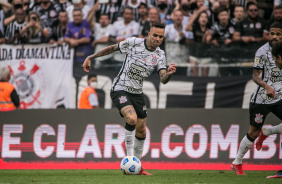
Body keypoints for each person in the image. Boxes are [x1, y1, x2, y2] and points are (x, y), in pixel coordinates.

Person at [82, 22, 176, 175]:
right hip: (120, 88)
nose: (158, 39)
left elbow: (163, 79)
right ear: (149, 34)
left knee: (141, 130)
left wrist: (169, 74)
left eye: (160, 36)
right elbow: (112, 48)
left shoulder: (159, 54)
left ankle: (137, 166)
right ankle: (129, 158)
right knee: (131, 119)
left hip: (137, 93)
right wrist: (90, 57)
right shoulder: (133, 43)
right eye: (155, 35)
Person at [231, 22, 282, 175]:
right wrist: (266, 86)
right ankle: (237, 162)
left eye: (278, 34)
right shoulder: (262, 51)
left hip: (279, 97)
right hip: (261, 99)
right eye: (272, 33)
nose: (274, 36)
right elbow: (255, 76)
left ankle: (268, 132)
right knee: (253, 132)